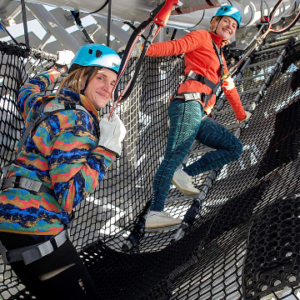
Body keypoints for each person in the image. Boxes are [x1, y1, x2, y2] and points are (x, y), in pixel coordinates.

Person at [0, 44, 126, 300]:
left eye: (112, 83)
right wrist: (106, 151)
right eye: (100, 77)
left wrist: (56, 69)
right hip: (37, 226)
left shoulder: (44, 105)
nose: (107, 88)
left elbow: (27, 90)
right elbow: (68, 197)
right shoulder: (80, 123)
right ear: (81, 78)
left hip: (11, 222)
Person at [143, 6, 251, 229]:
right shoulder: (202, 37)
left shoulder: (221, 59)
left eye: (234, 26)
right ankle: (155, 212)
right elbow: (176, 46)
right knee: (175, 155)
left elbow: (229, 89)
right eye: (226, 21)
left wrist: (241, 115)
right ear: (214, 23)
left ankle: (185, 173)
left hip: (199, 112)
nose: (229, 27)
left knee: (233, 148)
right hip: (187, 103)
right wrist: (145, 50)